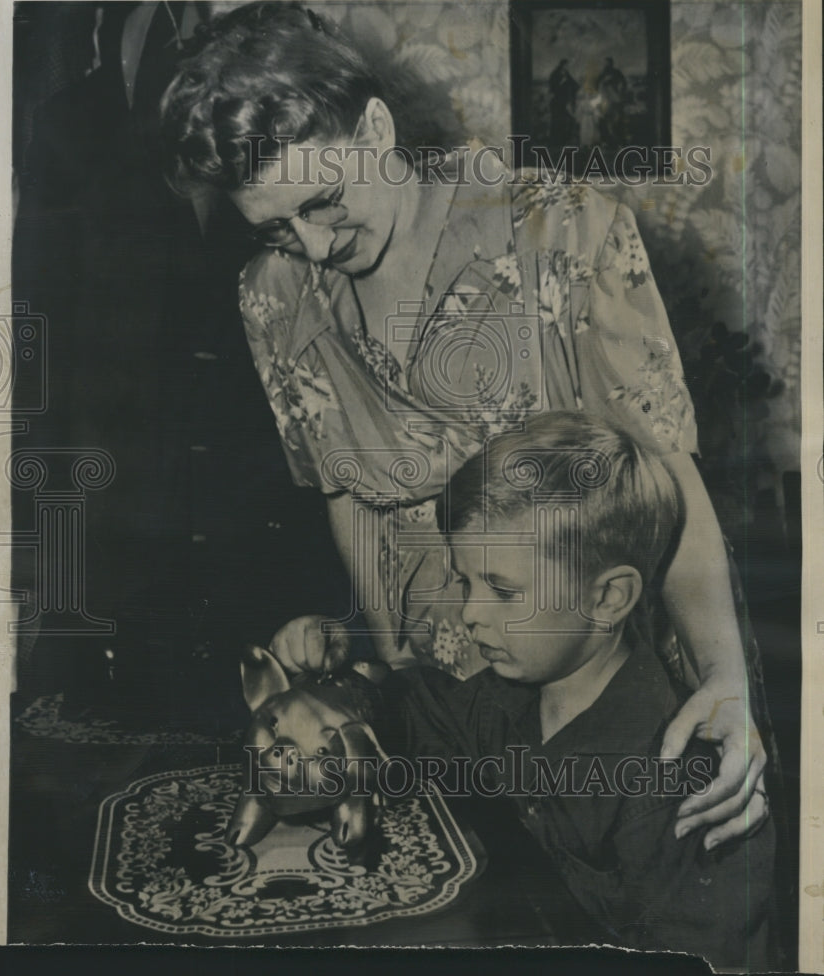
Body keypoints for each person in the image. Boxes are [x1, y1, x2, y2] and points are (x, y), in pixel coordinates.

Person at [160, 1, 769, 848]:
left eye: (324, 202)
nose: (314, 245)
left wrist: (724, 678)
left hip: (596, 682)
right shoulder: (274, 294)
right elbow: (347, 493)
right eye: (276, 228)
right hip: (441, 703)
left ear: (376, 129)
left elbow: (666, 477)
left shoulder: (564, 228)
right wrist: (393, 678)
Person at [269, 412, 777, 967]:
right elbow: (408, 711)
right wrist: (332, 682)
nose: (470, 613)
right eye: (466, 583)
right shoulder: (504, 698)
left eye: (503, 592)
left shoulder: (675, 779)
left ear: (607, 599)